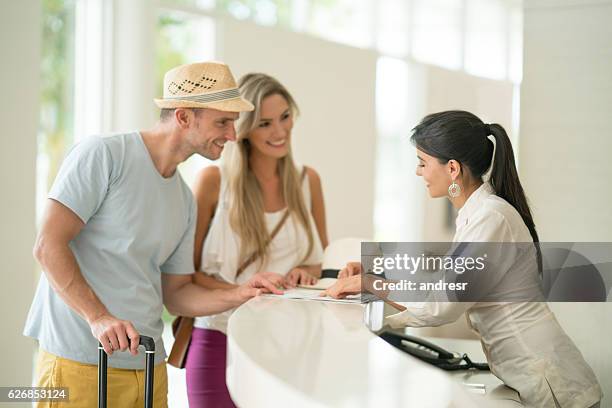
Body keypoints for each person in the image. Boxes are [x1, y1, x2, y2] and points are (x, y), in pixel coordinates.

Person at [23, 62, 281, 408]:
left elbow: (177, 295)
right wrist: (98, 318)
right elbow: (48, 246)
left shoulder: (184, 199)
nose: (233, 135)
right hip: (79, 360)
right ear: (184, 117)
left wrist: (240, 293)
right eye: (223, 122)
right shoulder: (104, 155)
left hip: (148, 368)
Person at [322, 110, 602, 407]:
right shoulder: (478, 214)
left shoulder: (491, 218)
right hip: (536, 377)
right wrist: (375, 270)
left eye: (422, 162)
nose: (419, 172)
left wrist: (368, 283)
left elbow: (442, 303)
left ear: (452, 168)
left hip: (553, 385)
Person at [186, 73, 328, 407]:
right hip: (219, 338)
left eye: (284, 117)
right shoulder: (212, 182)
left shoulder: (309, 182)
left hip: (291, 344)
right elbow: (189, 275)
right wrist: (243, 290)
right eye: (264, 123)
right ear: (243, 128)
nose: (279, 132)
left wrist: (306, 269)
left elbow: (322, 260)